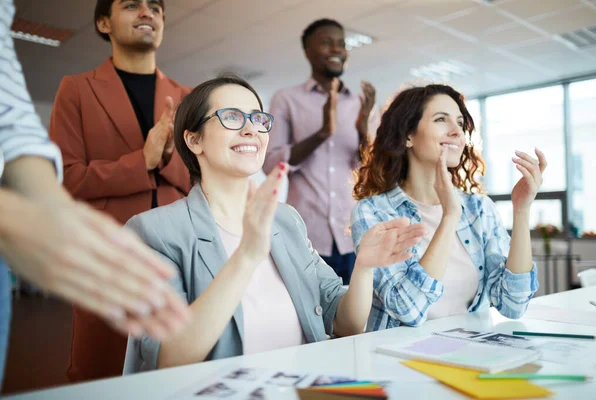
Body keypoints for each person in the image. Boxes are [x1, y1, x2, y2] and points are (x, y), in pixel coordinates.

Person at [122, 76, 425, 372]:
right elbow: (167, 356)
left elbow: (344, 323)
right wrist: (247, 256)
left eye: (257, 118)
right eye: (231, 117)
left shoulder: (286, 220)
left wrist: (364, 268)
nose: (251, 129)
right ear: (194, 140)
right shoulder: (153, 232)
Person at [0, 0, 188, 387]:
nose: (146, 13)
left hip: (178, 255)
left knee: (179, 375)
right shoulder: (76, 89)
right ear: (104, 22)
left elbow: (198, 180)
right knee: (100, 374)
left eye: (155, 7)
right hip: (106, 254)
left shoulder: (184, 96)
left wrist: (166, 159)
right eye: (131, 5)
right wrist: (142, 161)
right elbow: (66, 180)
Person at [351, 84, 545, 331]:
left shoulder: (479, 209)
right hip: (399, 359)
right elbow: (407, 310)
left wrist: (521, 210)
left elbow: (513, 305)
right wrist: (449, 216)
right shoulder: (374, 212)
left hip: (468, 353)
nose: (457, 132)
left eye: (461, 123)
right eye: (441, 119)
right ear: (408, 136)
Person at [264, 19, 380, 285]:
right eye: (327, 42)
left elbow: (373, 169)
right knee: (310, 320)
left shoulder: (361, 104)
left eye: (341, 43)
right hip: (305, 237)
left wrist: (363, 129)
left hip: (355, 235)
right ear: (307, 51)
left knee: (356, 321)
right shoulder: (286, 99)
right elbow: (271, 164)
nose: (336, 49)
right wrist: (321, 134)